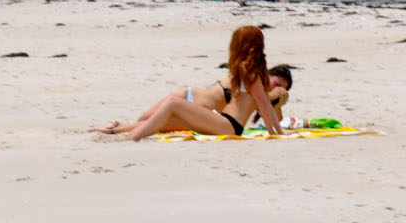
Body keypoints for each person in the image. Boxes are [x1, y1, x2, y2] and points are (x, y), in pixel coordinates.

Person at [107, 27, 288, 141]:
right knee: (169, 116)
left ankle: (133, 137)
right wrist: (277, 132)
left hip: (229, 125)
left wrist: (276, 133)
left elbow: (264, 104)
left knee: (173, 103)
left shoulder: (252, 73)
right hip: (225, 122)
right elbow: (264, 104)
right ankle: (124, 132)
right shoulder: (246, 70)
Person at [91, 65, 294, 136]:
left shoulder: (261, 94)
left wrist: (279, 101)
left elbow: (270, 114)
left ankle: (117, 129)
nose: (276, 88)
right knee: (145, 118)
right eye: (277, 82)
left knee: (158, 122)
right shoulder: (253, 79)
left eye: (281, 87)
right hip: (190, 95)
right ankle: (121, 128)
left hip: (203, 111)